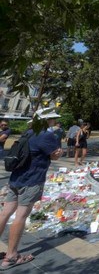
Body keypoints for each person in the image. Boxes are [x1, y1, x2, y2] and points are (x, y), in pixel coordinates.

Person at [0, 109, 63, 270]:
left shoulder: (28, 132)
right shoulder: (46, 135)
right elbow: (54, 155)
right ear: (46, 120)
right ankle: (11, 256)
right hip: (31, 179)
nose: (54, 122)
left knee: (5, 213)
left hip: (16, 178)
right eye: (52, 119)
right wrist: (59, 151)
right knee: (20, 216)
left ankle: (9, 253)